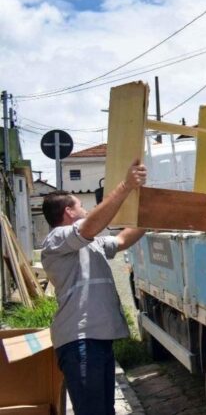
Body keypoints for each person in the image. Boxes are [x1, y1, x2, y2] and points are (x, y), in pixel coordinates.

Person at [41, 159, 148, 415]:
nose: (86, 208)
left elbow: (122, 240)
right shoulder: (57, 239)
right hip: (80, 341)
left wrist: (153, 217)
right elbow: (89, 226)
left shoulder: (89, 243)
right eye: (80, 205)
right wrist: (125, 186)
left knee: (103, 410)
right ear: (68, 212)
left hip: (96, 340)